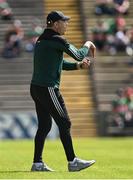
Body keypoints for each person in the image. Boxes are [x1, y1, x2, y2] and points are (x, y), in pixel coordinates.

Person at [30, 11, 96, 172]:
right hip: (48, 88)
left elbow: (59, 63)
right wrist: (88, 43)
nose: (66, 24)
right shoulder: (57, 39)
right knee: (65, 122)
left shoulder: (42, 39)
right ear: (55, 23)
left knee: (45, 126)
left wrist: (78, 67)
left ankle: (37, 163)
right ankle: (72, 161)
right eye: (64, 21)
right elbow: (79, 55)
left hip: (37, 88)